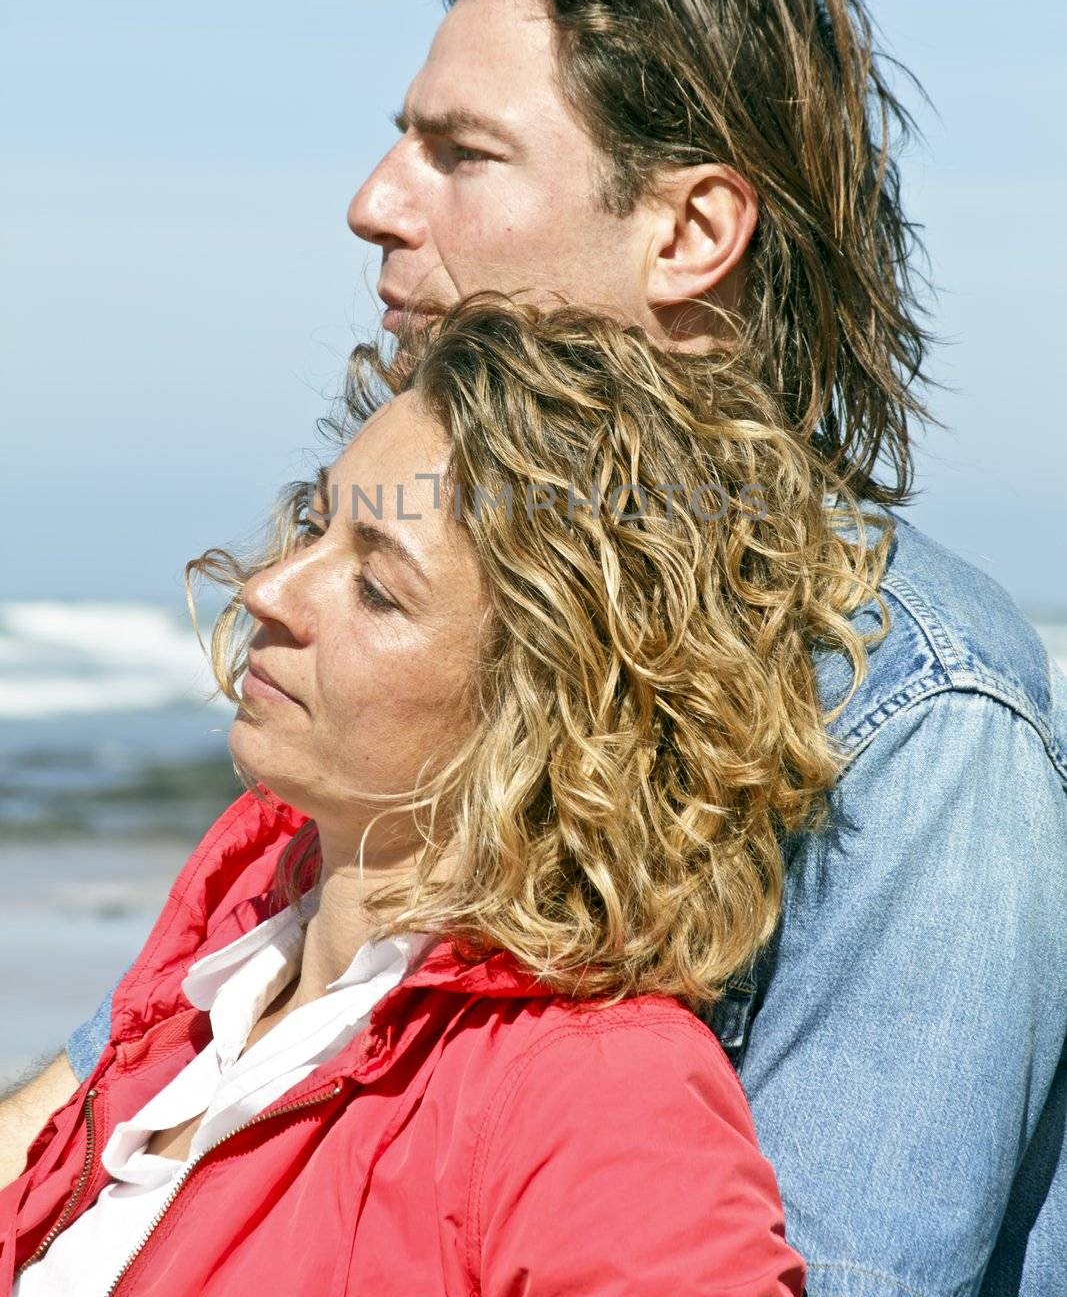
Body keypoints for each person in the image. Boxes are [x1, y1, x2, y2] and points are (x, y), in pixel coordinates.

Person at [4, 0, 1066, 1294]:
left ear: (688, 232)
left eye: (461, 153)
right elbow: (125, 1100)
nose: (371, 202)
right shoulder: (405, 614)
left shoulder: (919, 711)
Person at [0, 294, 889, 1293]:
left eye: (377, 587)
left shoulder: (592, 1093)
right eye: (313, 522)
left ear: (546, 703)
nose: (271, 589)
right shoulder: (237, 924)